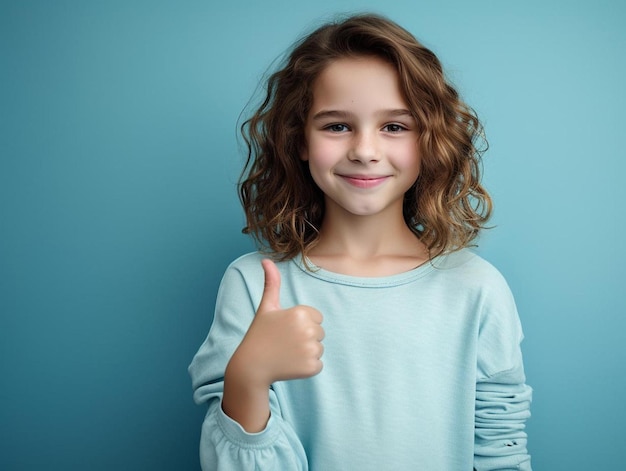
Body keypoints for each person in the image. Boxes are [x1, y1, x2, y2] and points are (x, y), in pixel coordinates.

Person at [189, 13, 532, 470]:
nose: (365, 150)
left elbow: (502, 452)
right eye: (336, 126)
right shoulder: (253, 285)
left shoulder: (476, 288)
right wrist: (248, 376)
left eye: (394, 126)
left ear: (428, 140)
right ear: (300, 140)